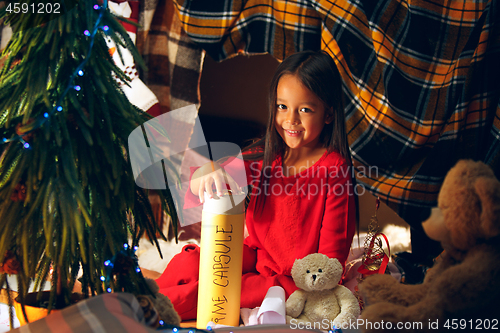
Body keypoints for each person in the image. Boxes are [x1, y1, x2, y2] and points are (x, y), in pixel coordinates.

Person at [155, 50, 357, 320]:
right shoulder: (267, 156)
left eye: (305, 110)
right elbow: (201, 185)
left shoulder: (335, 170)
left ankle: (142, 307)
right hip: (256, 255)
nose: (290, 120)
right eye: (282, 107)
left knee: (214, 290)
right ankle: (142, 291)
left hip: (293, 279)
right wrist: (206, 171)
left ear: (329, 113)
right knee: (190, 262)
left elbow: (332, 254)